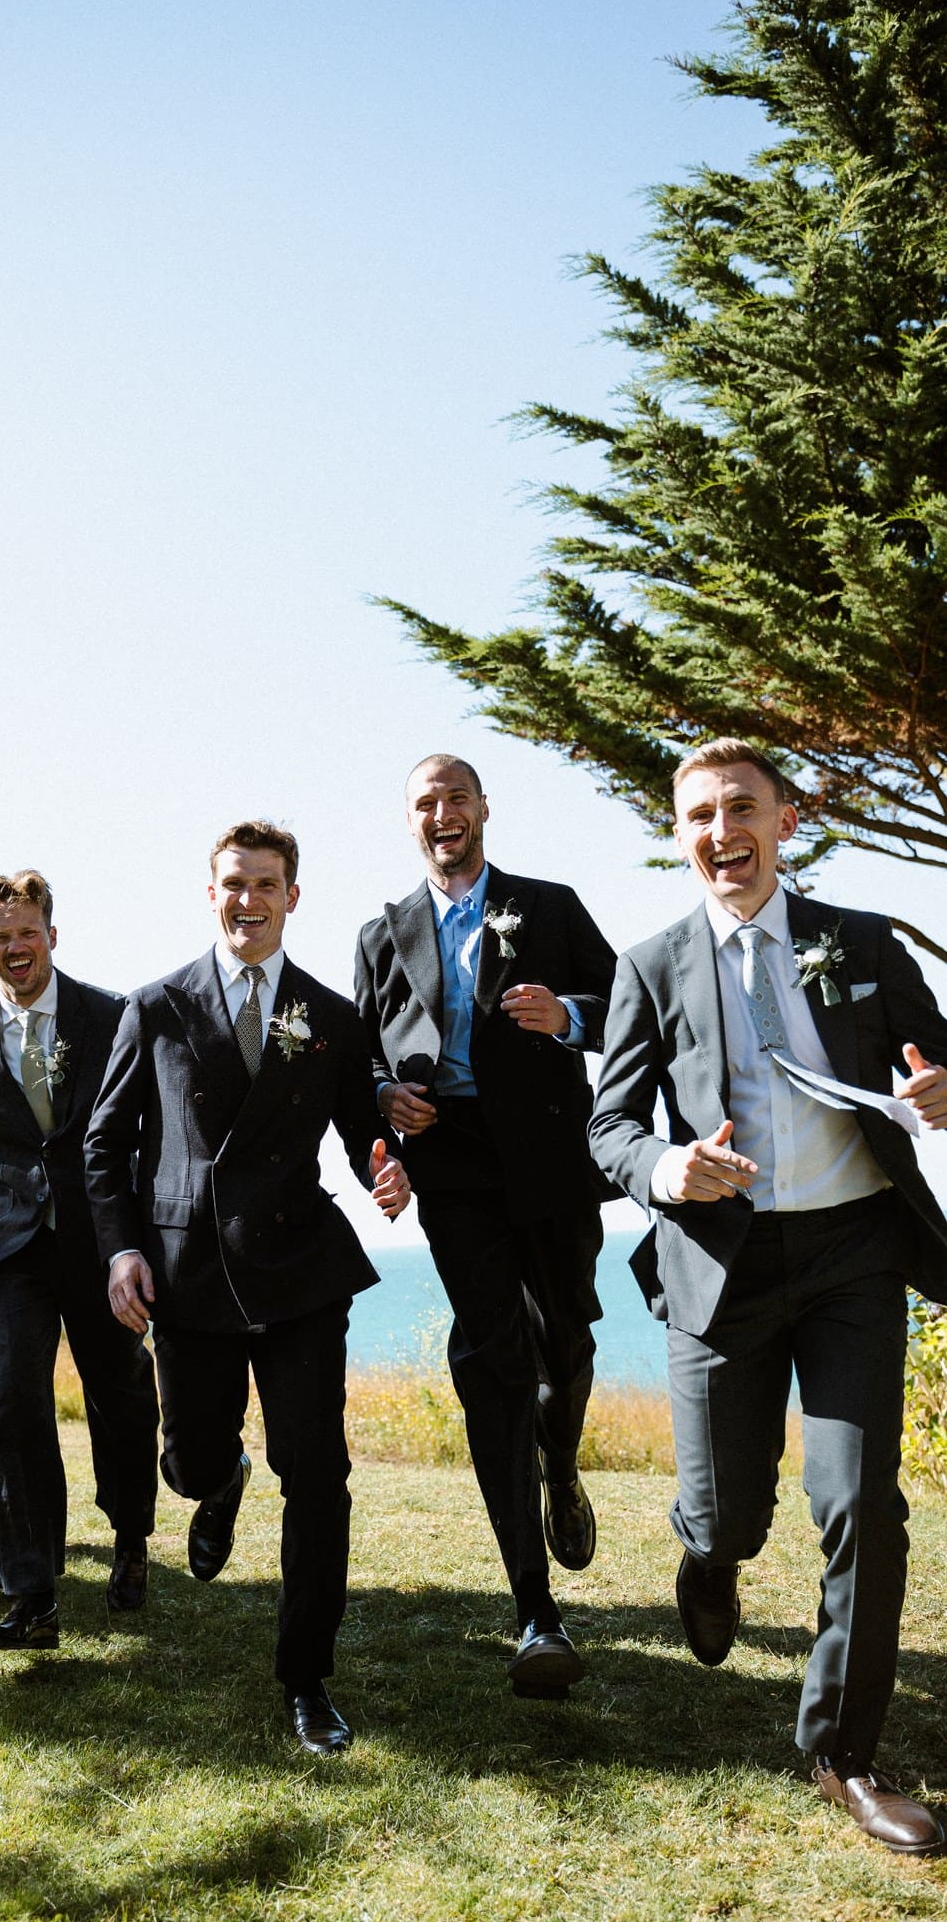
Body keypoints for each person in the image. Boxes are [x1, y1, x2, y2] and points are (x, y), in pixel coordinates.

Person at [590, 738, 947, 1856]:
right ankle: (707, 1552)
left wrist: (941, 1086)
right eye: (699, 814)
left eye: (741, 807)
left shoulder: (864, 941)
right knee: (729, 1513)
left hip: (853, 1252)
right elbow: (610, 1125)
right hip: (720, 1265)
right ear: (680, 835)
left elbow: (933, 1060)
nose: (720, 830)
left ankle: (844, 1754)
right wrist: (668, 1166)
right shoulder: (650, 965)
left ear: (785, 821)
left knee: (862, 1505)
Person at [85, 819, 411, 1756]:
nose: (248, 899)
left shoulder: (329, 1014)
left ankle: (306, 1677)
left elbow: (360, 1130)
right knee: (187, 1463)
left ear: (291, 897)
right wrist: (120, 1251)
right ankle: (220, 1479)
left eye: (265, 884)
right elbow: (105, 1146)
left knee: (316, 1473)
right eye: (234, 883)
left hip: (297, 1266)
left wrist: (387, 1166)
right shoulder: (154, 1006)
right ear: (211, 893)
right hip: (185, 1272)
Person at [354, 754, 617, 1697]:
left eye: (455, 798)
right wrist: (382, 1100)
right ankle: (534, 1612)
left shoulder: (548, 906)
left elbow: (628, 1011)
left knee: (567, 1345)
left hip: (551, 1155)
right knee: (492, 1360)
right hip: (452, 1163)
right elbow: (361, 1055)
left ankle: (560, 1462)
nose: (442, 814)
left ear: (482, 811)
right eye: (425, 802)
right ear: (411, 822)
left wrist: (566, 1016)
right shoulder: (381, 934)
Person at [0, 870, 160, 1651]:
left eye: (27, 932)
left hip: (101, 1240)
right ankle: (31, 1593)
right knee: (11, 1403)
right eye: (0, 937)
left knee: (119, 1393)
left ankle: (130, 1535)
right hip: (8, 1245)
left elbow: (148, 1129)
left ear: (51, 936)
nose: (14, 947)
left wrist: (145, 1235)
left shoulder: (111, 1015)